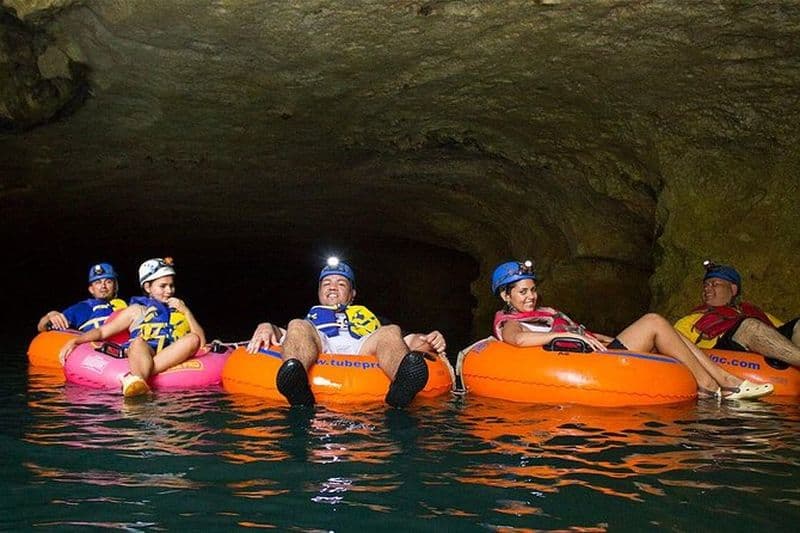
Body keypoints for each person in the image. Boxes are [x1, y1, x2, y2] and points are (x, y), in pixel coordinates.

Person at [491, 260, 773, 400]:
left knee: (676, 335)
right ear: (506, 296)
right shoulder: (510, 320)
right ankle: (714, 386)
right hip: (592, 365)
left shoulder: (543, 313)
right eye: (522, 292)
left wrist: (591, 335)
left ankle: (725, 381)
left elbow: (578, 333)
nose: (531, 297)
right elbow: (519, 338)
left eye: (532, 290)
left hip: (595, 353)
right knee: (653, 321)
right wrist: (565, 335)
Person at [246, 257, 447, 408]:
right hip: (321, 342)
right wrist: (265, 325)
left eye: (341, 284)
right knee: (296, 324)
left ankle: (402, 387)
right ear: (319, 292)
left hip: (362, 345)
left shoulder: (372, 318)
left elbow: (410, 341)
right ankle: (296, 383)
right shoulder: (308, 321)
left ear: (352, 294)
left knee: (391, 330)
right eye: (327, 283)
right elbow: (282, 334)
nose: (333, 287)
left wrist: (430, 339)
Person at [59, 257, 206, 397]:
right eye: (163, 286)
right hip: (143, 350)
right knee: (138, 342)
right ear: (148, 287)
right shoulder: (136, 310)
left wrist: (186, 311)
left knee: (192, 339)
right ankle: (140, 382)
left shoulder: (179, 309)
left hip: (169, 352)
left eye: (171, 285)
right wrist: (76, 341)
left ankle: (138, 378)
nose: (169, 291)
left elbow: (201, 342)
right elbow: (102, 331)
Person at [674, 261, 800, 367]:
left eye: (715, 284)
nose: (707, 288)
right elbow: (673, 347)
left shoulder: (756, 313)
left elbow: (782, 335)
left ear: (733, 289)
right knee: (749, 327)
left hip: (768, 360)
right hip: (721, 354)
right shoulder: (690, 320)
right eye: (706, 285)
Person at [37, 262, 127, 332]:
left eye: (108, 282)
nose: (103, 286)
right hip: (97, 352)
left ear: (115, 286)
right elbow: (41, 328)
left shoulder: (128, 305)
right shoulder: (82, 308)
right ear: (91, 289)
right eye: (98, 282)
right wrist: (50, 315)